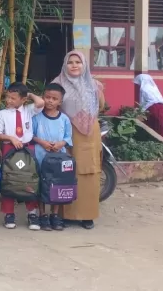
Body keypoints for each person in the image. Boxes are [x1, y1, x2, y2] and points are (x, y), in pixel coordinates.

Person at [53, 50, 105, 230]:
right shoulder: (57, 84)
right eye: (70, 62)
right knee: (65, 171)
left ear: (84, 65)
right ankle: (63, 214)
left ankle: (87, 215)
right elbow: (50, 105)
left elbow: (102, 105)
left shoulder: (94, 85)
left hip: (90, 135)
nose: (74, 65)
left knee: (89, 172)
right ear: (64, 65)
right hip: (65, 133)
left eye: (78, 62)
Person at [0, 82, 44, 230]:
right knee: (10, 179)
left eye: (13, 98)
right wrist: (11, 138)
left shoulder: (29, 110)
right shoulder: (2, 114)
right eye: (7, 97)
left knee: (28, 179)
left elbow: (40, 102)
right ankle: (9, 213)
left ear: (23, 100)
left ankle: (32, 213)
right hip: (10, 149)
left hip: (27, 149)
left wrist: (28, 94)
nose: (8, 100)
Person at [32, 82, 73, 231]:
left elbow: (69, 137)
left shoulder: (64, 119)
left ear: (60, 102)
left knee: (58, 184)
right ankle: (42, 214)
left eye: (54, 99)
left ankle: (54, 215)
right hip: (41, 156)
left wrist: (61, 143)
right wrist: (41, 142)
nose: (50, 101)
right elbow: (31, 135)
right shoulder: (36, 118)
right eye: (47, 97)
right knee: (41, 185)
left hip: (58, 158)